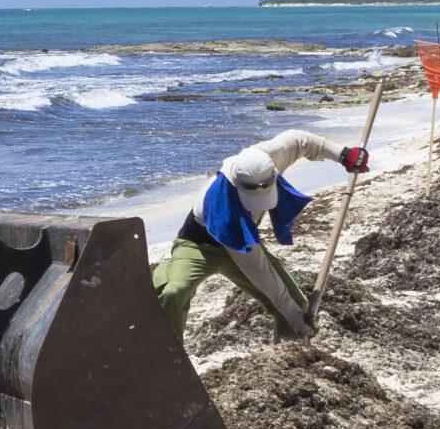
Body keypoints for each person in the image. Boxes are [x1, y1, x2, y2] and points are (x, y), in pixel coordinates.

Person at [153, 129, 368, 339]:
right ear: (237, 185)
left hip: (245, 241)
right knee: (174, 291)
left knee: (298, 304)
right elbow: (259, 271)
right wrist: (292, 316)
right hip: (198, 247)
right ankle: (169, 353)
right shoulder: (221, 205)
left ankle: (287, 358)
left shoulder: (265, 159)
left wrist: (343, 154)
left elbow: (301, 141)